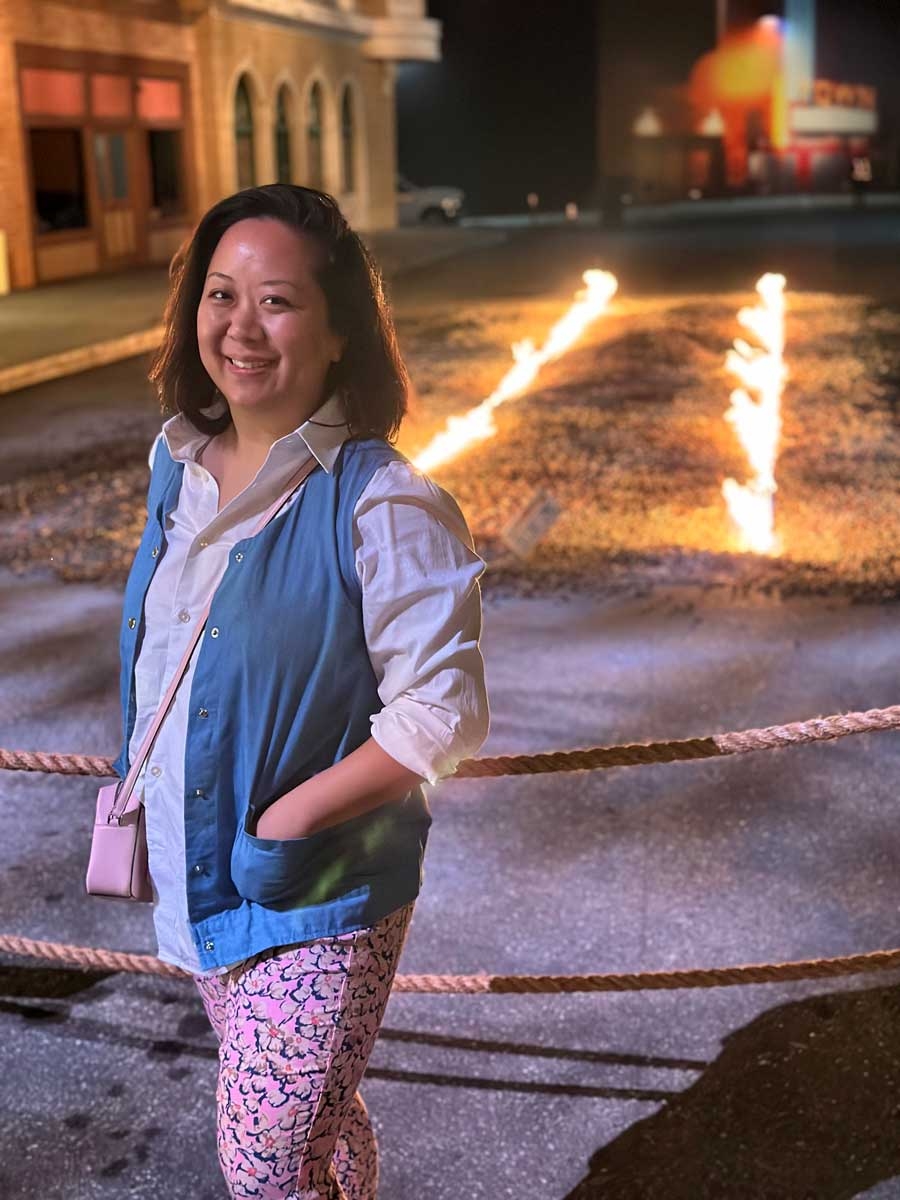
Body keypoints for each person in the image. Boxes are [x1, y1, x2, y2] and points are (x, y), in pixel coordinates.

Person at [111, 183, 490, 1198]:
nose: (240, 327)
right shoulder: (176, 465)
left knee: (264, 1162)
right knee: (315, 1132)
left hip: (320, 890)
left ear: (338, 332)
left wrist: (291, 818)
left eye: (276, 301)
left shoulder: (385, 502)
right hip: (202, 873)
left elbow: (443, 711)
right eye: (220, 294)